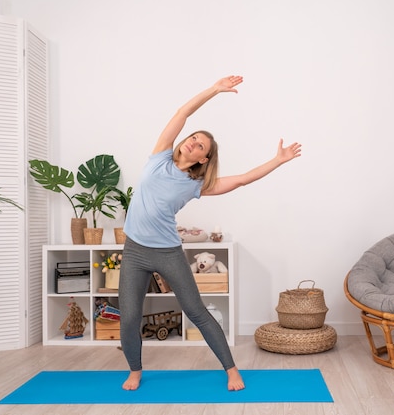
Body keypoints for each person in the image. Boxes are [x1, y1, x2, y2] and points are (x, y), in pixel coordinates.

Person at [119, 75, 302, 392]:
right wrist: (214, 90)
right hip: (134, 250)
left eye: (200, 145)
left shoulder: (197, 184)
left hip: (167, 252)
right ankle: (135, 371)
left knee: (196, 311)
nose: (192, 142)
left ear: (203, 158)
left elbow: (243, 179)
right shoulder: (159, 156)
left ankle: (231, 370)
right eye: (192, 138)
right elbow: (182, 113)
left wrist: (278, 160)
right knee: (130, 316)